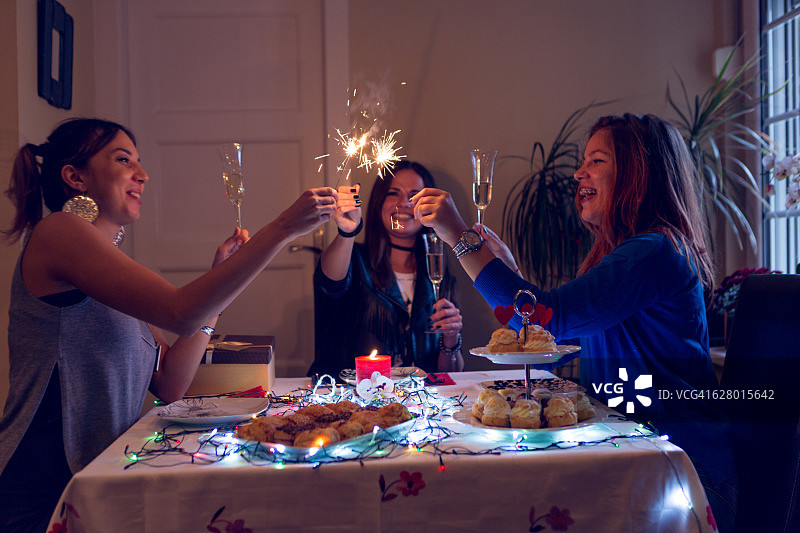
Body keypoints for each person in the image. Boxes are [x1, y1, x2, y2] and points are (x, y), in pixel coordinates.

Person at [0, 118, 338, 532]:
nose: (142, 175)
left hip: (97, 476)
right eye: (123, 160)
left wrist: (217, 294)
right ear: (75, 176)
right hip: (44, 483)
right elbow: (180, 311)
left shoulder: (110, 267)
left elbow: (169, 383)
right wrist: (282, 228)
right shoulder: (58, 232)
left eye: (139, 162)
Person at [411, 114, 737, 531]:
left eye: (597, 160)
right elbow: (553, 328)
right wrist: (509, 272)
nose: (579, 173)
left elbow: (551, 318)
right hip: (643, 452)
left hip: (684, 471)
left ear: (638, 172)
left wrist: (458, 234)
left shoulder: (652, 252)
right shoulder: (637, 254)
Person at [308, 161, 464, 379]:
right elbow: (330, 284)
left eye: (413, 195)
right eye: (393, 193)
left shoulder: (437, 272)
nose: (404, 203)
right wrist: (348, 232)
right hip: (352, 401)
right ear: (379, 202)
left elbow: (447, 375)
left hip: (417, 403)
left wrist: (451, 339)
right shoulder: (353, 259)